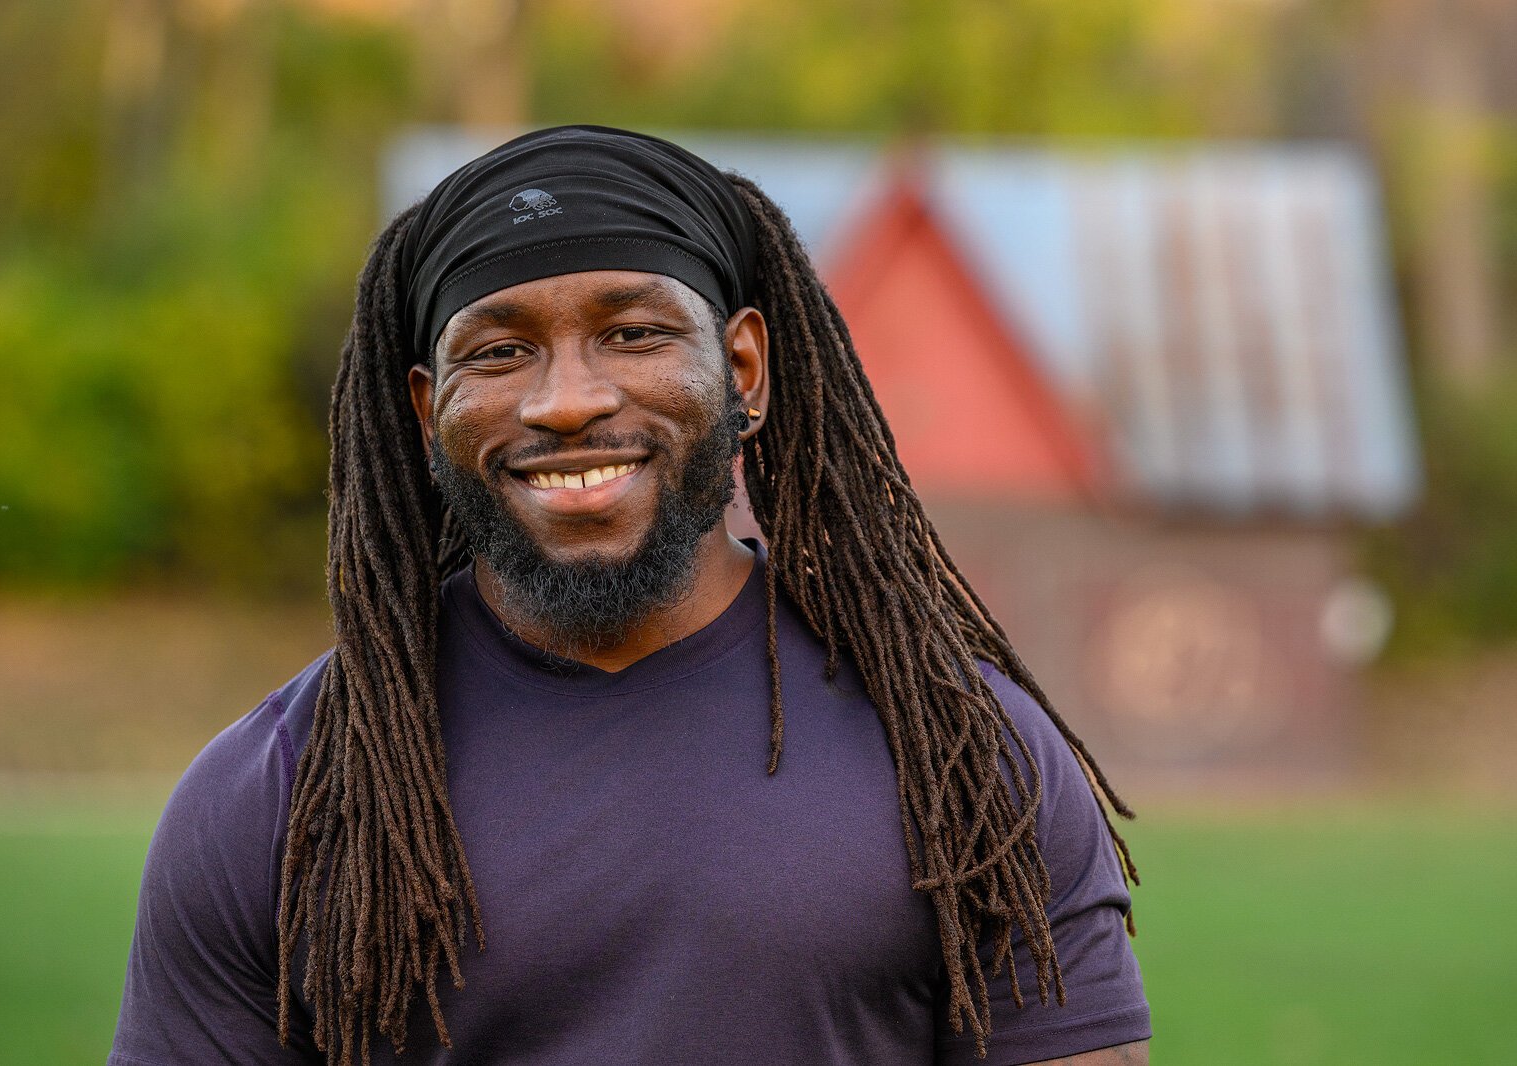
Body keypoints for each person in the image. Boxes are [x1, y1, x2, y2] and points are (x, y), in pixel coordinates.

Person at [110, 125, 1149, 1066]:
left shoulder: (962, 756)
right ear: (430, 412)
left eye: (634, 333)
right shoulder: (281, 796)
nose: (569, 401)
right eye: (500, 350)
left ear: (742, 367)